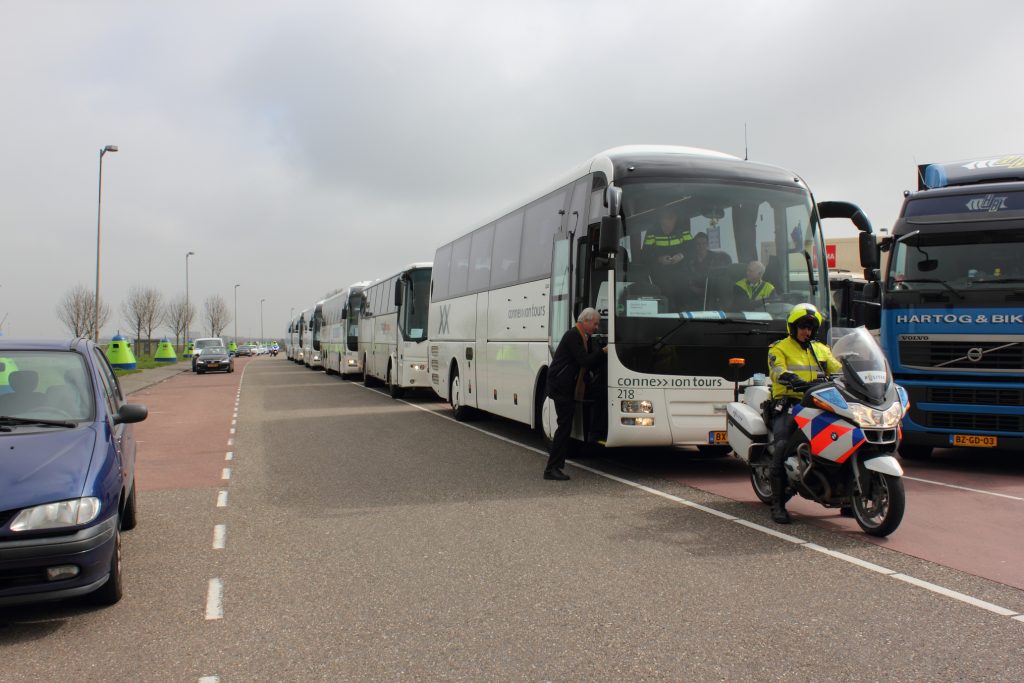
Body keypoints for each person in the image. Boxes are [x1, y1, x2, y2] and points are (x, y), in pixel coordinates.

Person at [766, 304, 841, 523]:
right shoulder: (779, 348)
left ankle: (847, 496)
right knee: (783, 445)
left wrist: (854, 372)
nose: (806, 331)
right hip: (789, 403)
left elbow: (838, 369)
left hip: (819, 402)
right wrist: (789, 377)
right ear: (793, 327)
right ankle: (778, 504)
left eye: (810, 328)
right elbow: (776, 370)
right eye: (802, 327)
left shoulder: (821, 349)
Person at [544, 308, 607, 480]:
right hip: (561, 387)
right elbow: (584, 360)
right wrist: (603, 352)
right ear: (585, 321)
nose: (596, 327)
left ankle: (555, 466)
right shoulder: (573, 336)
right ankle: (552, 469)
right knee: (564, 428)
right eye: (595, 323)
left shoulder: (582, 336)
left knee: (565, 427)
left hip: (565, 386)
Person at [640, 207, 692, 297]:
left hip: (682, 278)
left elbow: (692, 248)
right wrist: (659, 259)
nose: (666, 228)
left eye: (669, 224)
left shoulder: (683, 230)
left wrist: (681, 255)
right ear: (660, 220)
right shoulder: (652, 232)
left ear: (675, 220)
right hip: (661, 278)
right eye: (663, 224)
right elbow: (645, 254)